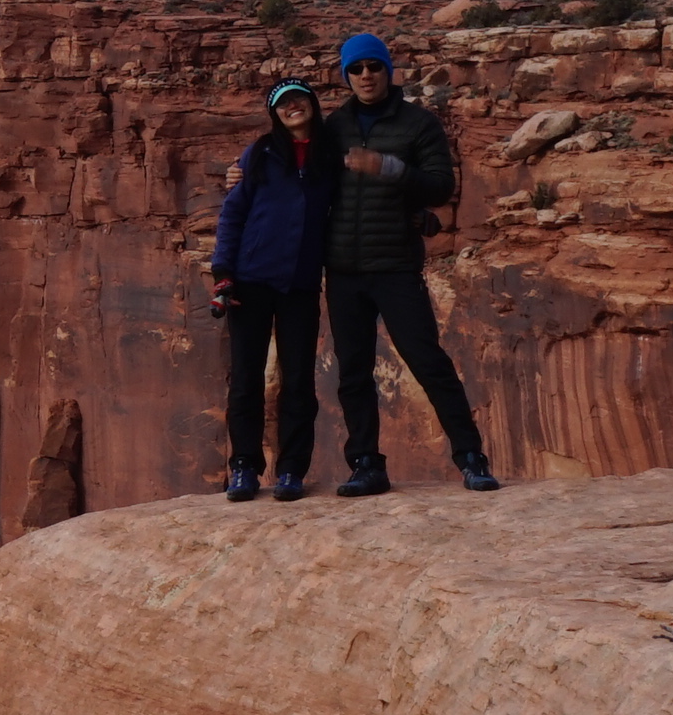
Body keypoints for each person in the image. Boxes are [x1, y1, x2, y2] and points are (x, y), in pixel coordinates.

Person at [322, 32, 497, 495]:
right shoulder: (333, 126)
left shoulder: (419, 124)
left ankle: (471, 458)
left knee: (427, 361)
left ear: (387, 71)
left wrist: (388, 168)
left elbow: (441, 186)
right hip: (342, 269)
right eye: (355, 69)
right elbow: (292, 167)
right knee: (354, 373)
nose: (365, 76)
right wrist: (242, 169)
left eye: (373, 67)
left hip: (396, 266)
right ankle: (366, 465)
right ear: (346, 76)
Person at [208, 78, 332, 501]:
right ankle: (244, 466)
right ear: (275, 114)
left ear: (312, 103)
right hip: (250, 281)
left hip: (299, 284)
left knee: (299, 381)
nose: (292, 107)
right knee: (246, 380)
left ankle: (292, 470)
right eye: (283, 104)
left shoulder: (330, 154)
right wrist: (222, 272)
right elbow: (232, 215)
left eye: (299, 99)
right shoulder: (259, 154)